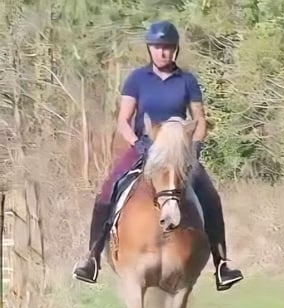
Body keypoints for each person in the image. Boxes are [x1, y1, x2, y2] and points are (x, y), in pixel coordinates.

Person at [72, 19, 244, 292]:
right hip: (144, 147)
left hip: (178, 151)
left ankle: (221, 263)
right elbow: (123, 121)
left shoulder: (187, 80)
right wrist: (137, 143)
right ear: (149, 49)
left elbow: (199, 120)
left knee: (210, 195)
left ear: (175, 50)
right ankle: (92, 257)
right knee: (107, 190)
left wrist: (194, 146)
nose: (162, 52)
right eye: (157, 47)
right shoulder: (137, 79)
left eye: (167, 47)